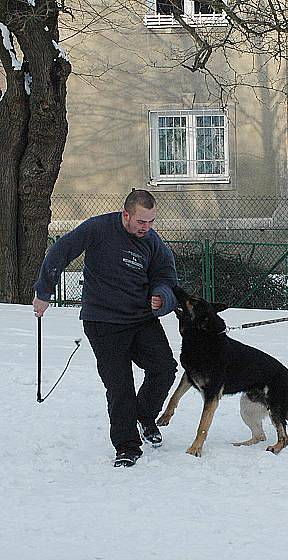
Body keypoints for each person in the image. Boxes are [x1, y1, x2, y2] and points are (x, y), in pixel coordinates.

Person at [33, 189, 178, 468]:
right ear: (126, 214)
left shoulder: (151, 241)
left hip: (141, 318)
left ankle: (143, 416)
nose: (146, 228)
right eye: (141, 222)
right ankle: (127, 446)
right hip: (103, 321)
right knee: (119, 385)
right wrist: (44, 291)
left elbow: (166, 274)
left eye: (151, 222)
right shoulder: (98, 228)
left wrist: (162, 296)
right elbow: (60, 252)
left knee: (164, 368)